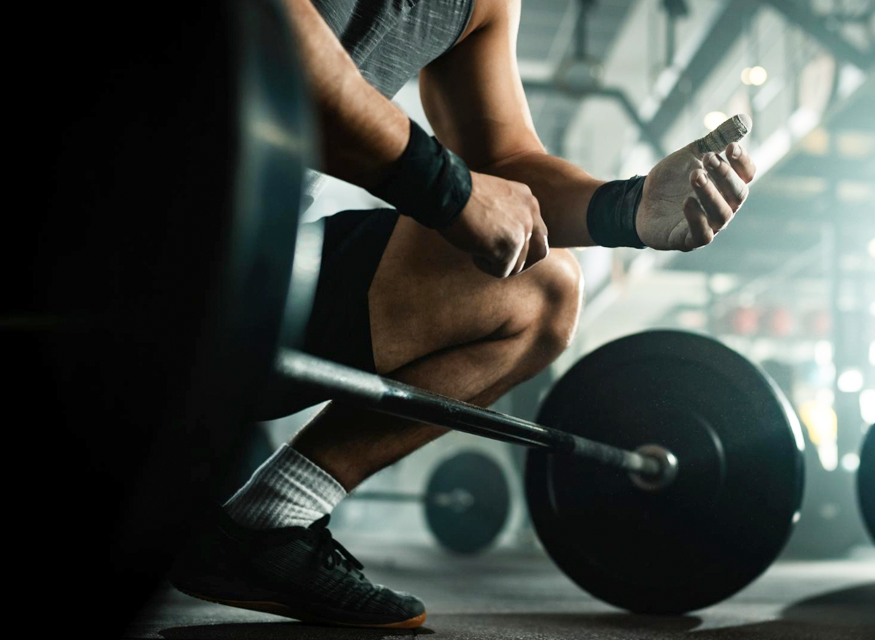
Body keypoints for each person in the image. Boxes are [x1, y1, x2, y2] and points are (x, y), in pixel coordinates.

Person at [171, 0, 758, 628]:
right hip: (124, 239)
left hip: (249, 276)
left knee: (542, 289)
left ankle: (268, 525)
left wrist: (626, 206)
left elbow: (501, 162)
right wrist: (449, 189)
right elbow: (265, 36)